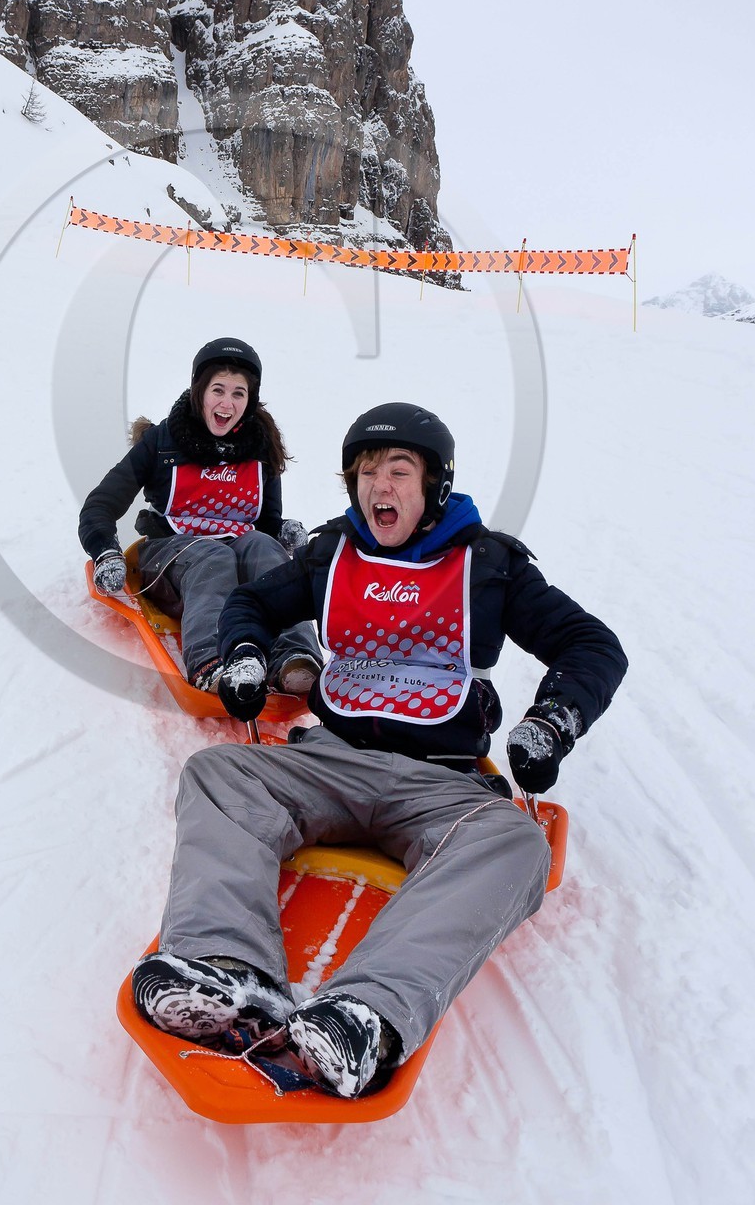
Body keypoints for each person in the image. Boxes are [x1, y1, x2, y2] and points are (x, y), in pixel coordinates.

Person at [131, 402, 627, 1098]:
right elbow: (251, 605)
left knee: (516, 844)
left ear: (433, 486)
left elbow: (590, 645)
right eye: (365, 471)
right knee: (219, 773)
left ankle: (366, 1015)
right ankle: (227, 970)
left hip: (441, 783)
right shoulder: (331, 554)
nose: (378, 486)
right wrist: (243, 652)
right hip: (330, 759)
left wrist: (552, 721)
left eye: (398, 470)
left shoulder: (487, 565)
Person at [78, 337, 320, 691]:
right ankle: (212, 662)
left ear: (250, 400)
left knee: (266, 550)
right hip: (171, 557)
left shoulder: (259, 448)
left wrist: (282, 531)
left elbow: (264, 524)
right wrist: (104, 550)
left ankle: (294, 657)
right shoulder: (162, 442)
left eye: (239, 394)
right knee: (214, 554)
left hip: (236, 554)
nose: (227, 403)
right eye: (217, 390)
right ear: (199, 392)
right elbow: (101, 502)